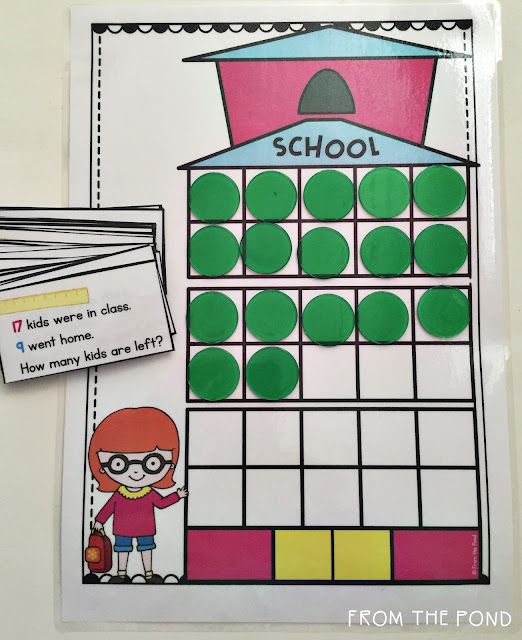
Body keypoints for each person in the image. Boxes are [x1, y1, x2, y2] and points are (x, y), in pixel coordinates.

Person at [88, 407, 188, 584]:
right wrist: (99, 521)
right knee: (122, 550)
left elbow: (162, 503)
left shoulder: (149, 493)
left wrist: (177, 495)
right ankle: (121, 574)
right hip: (122, 529)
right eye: (119, 464)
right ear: (102, 467)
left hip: (145, 528)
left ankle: (149, 574)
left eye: (152, 463)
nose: (135, 471)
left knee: (146, 549)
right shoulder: (119, 494)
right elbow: (107, 509)